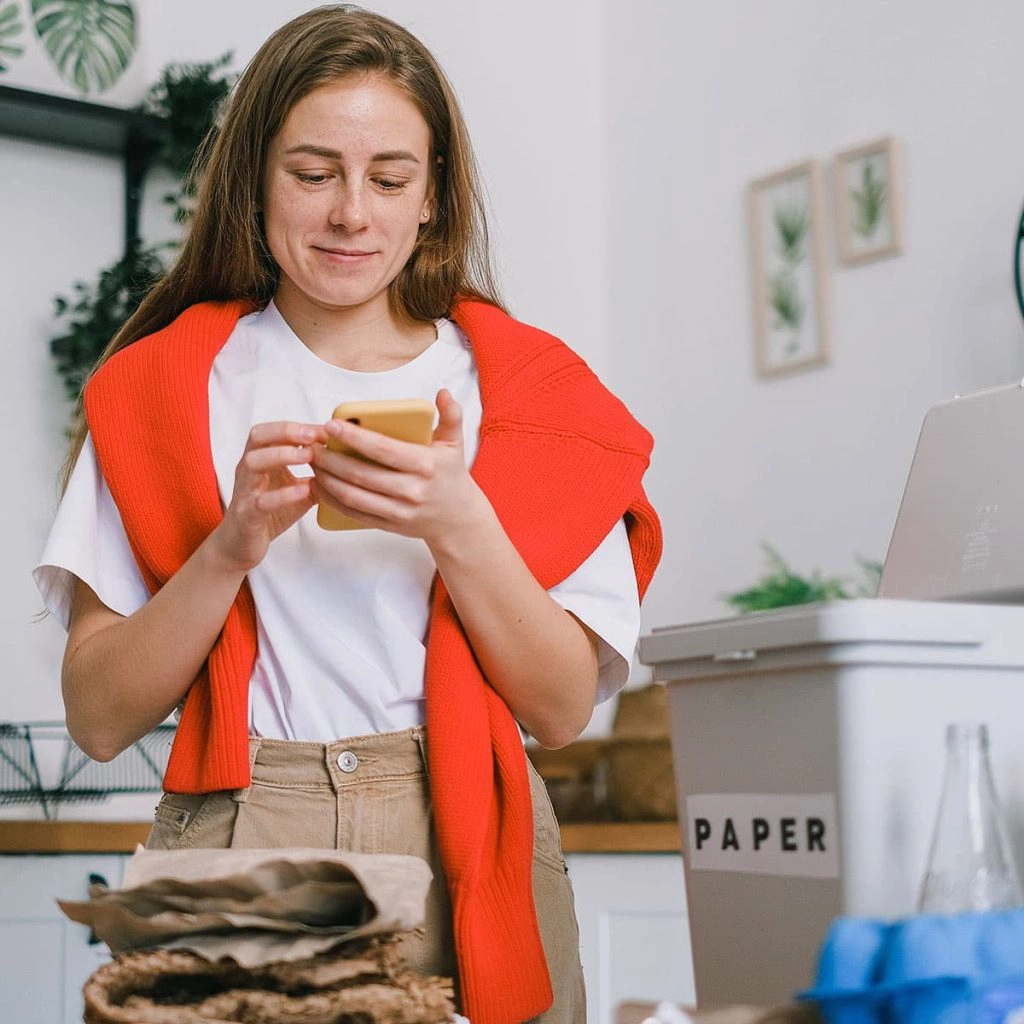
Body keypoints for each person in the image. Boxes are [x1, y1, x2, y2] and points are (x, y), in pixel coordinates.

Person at [34, 6, 662, 1023]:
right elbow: (100, 718)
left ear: (433, 199)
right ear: (254, 182)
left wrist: (459, 523)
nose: (350, 215)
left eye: (389, 178)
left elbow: (555, 709)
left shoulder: (535, 399)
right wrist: (228, 546)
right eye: (313, 173)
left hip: (468, 831)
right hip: (243, 825)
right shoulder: (158, 390)